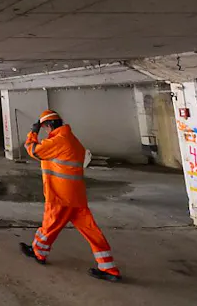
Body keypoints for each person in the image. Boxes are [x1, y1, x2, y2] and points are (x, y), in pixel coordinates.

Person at [19, 110, 122, 282]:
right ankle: (109, 267)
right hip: (75, 195)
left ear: (48, 125)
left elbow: (34, 150)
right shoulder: (71, 140)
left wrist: (33, 132)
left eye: (44, 127)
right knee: (91, 231)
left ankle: (38, 253)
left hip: (61, 195)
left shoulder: (60, 140)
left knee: (50, 225)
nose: (44, 131)